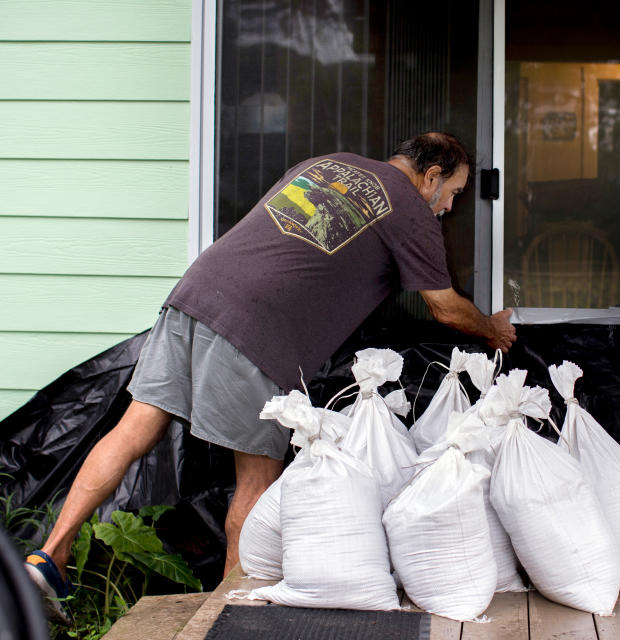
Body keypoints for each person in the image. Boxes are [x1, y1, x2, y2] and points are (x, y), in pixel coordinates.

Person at [24, 132, 517, 620]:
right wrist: (492, 329)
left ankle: (49, 555)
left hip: (196, 292)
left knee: (134, 427)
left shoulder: (328, 163)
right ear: (431, 177)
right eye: (452, 192)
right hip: (256, 327)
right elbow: (445, 307)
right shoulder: (408, 207)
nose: (449, 207)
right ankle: (228, 618)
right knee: (257, 479)